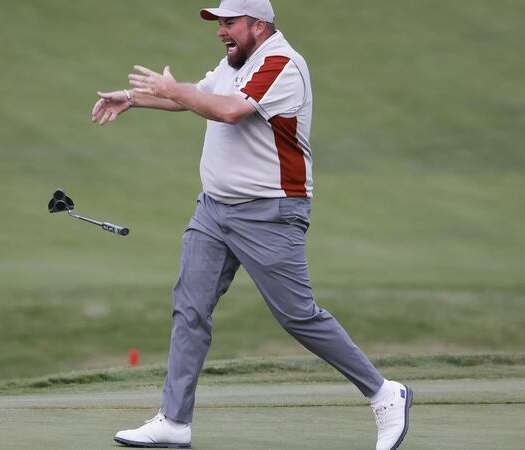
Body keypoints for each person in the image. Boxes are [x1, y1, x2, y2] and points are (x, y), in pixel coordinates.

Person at [91, 1, 412, 448]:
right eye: (219, 23)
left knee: (298, 316)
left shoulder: (281, 64)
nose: (221, 31)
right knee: (190, 307)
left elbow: (228, 110)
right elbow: (198, 95)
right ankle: (174, 421)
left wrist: (171, 89)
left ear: (258, 25)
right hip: (213, 210)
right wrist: (132, 98)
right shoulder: (234, 63)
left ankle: (383, 393)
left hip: (270, 211)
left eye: (229, 23)